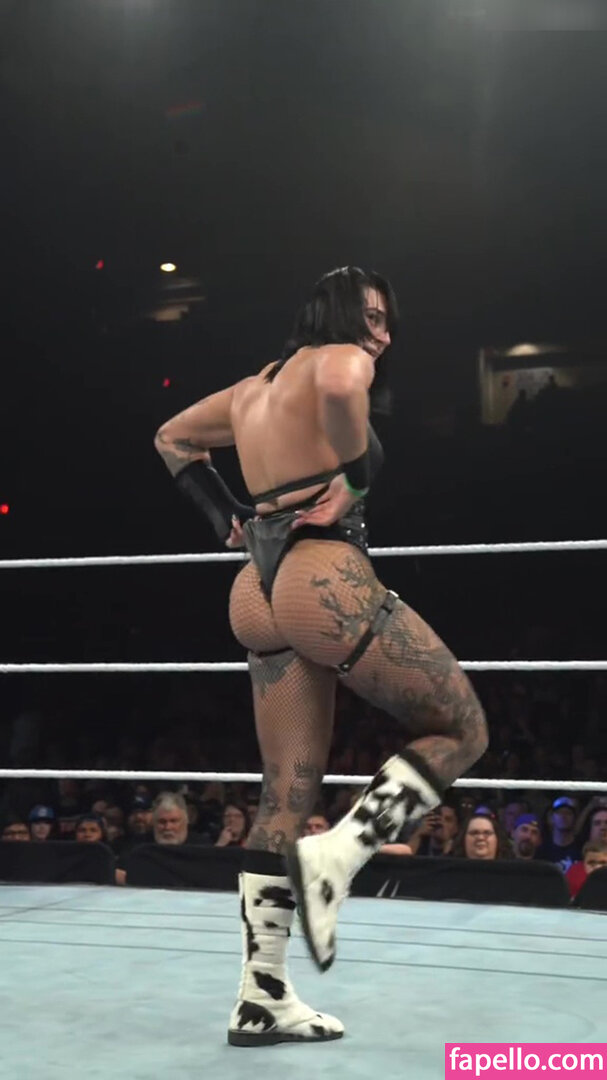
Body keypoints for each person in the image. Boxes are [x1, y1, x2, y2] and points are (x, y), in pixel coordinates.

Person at [155, 265, 488, 1046]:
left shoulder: (253, 388)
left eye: (385, 320)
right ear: (337, 315)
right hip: (321, 576)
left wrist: (222, 513)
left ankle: (260, 997)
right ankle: (340, 854)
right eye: (370, 316)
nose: (382, 334)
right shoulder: (339, 359)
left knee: (281, 797)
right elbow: (342, 385)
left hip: (257, 589)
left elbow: (171, 437)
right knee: (461, 729)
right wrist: (356, 479)